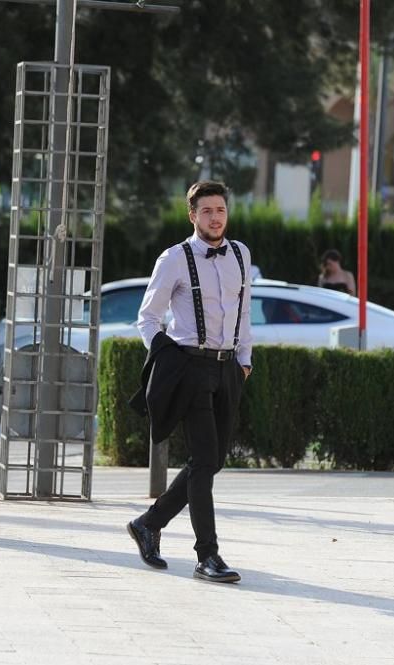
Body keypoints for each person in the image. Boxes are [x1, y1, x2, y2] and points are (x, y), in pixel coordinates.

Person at [127, 181, 252, 584]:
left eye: (221, 210)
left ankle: (149, 522)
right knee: (203, 462)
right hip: (191, 369)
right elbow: (147, 318)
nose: (216, 217)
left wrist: (245, 361)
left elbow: (244, 311)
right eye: (207, 211)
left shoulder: (240, 254)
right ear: (192, 215)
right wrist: (165, 357)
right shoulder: (174, 259)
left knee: (210, 462)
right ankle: (207, 555)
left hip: (228, 367)